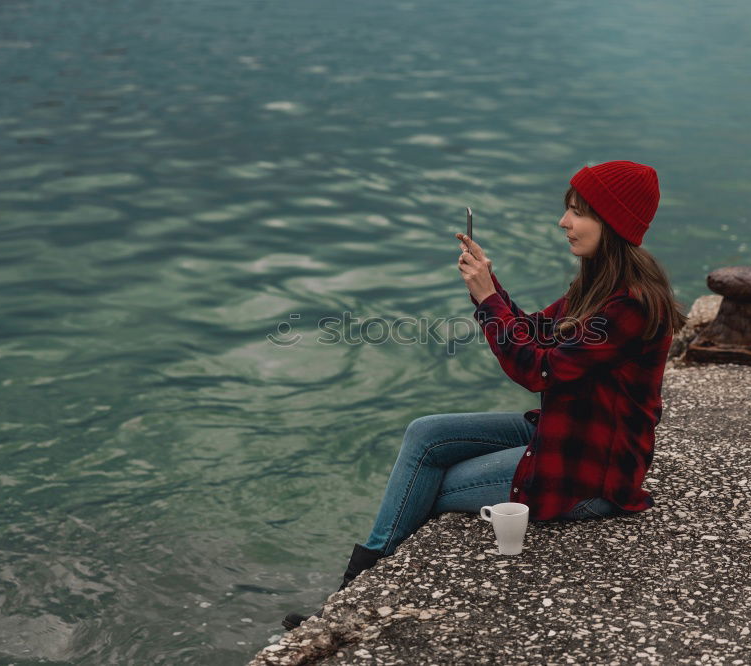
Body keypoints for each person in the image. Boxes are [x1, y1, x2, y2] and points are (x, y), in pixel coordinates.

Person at [282, 160, 688, 631]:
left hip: (588, 475)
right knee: (426, 433)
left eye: (578, 212)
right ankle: (349, 595)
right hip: (564, 433)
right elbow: (537, 330)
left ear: (612, 223)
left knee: (426, 486)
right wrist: (488, 289)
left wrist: (487, 299)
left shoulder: (631, 304)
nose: (564, 222)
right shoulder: (600, 286)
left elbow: (538, 369)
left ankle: (346, 609)